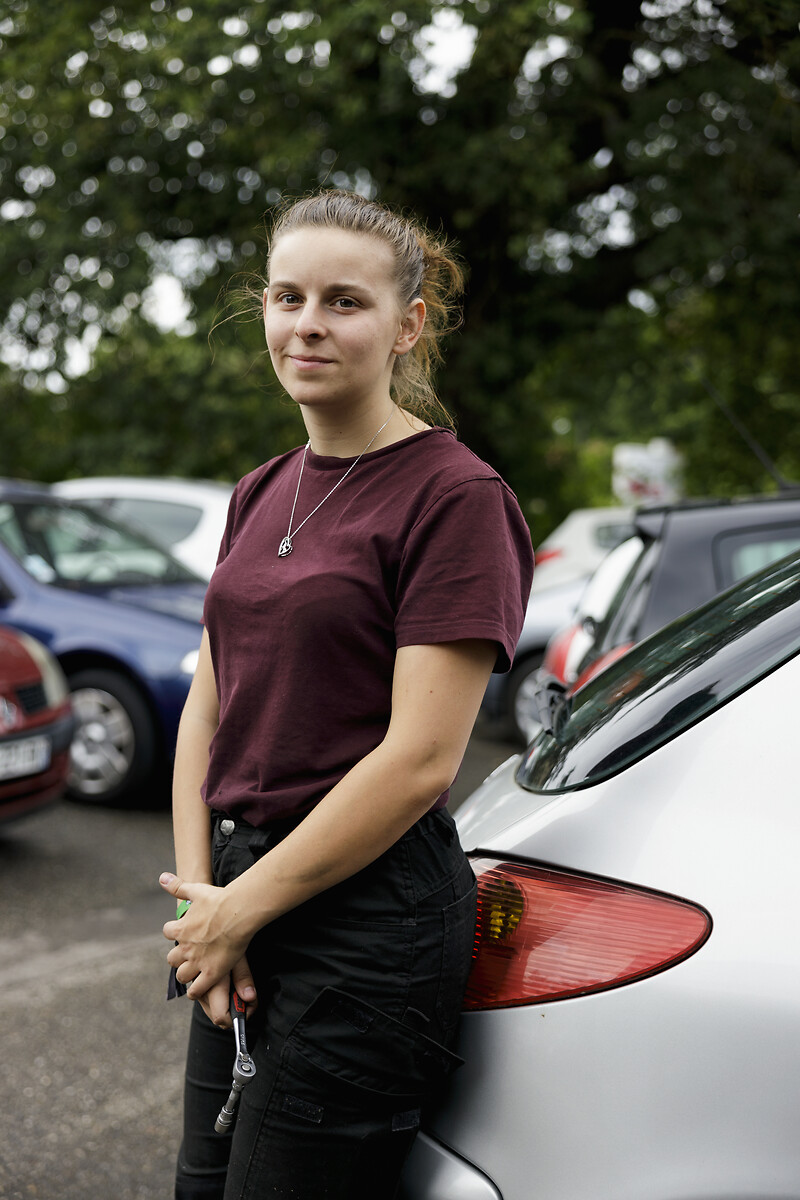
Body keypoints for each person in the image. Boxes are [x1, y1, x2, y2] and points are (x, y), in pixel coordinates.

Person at [159, 189, 534, 1200]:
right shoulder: (258, 486)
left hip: (362, 917)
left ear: (407, 324)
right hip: (234, 892)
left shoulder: (455, 498)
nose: (307, 324)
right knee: (203, 1186)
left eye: (343, 301)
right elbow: (211, 699)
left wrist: (242, 912)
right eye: (287, 297)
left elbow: (419, 762)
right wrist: (206, 900)